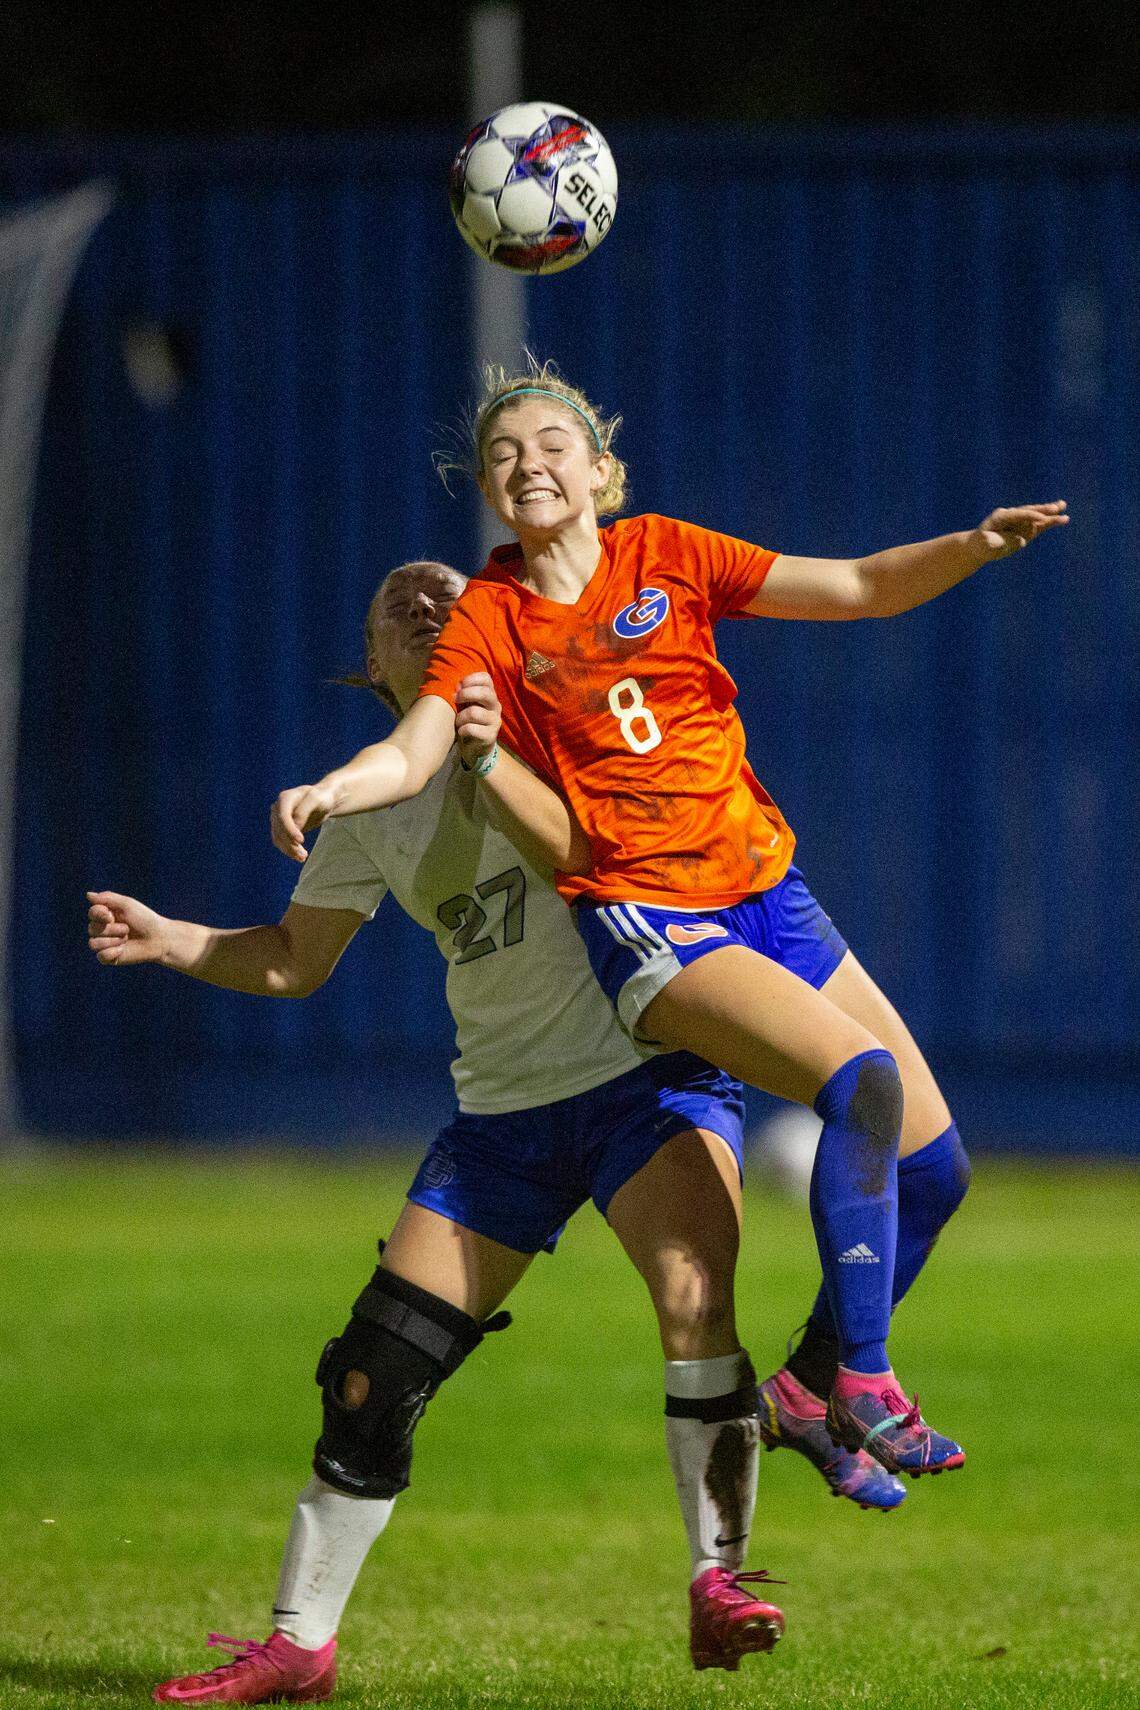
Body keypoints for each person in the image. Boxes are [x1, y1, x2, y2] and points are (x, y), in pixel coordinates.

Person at [271, 361, 1069, 1503]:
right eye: (503, 454)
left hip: (769, 892)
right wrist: (331, 789)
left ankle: (807, 1387)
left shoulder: (667, 553)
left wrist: (972, 545)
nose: (528, 463)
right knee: (863, 1083)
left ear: (601, 471)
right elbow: (413, 746)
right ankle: (867, 1381)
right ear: (489, 491)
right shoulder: (487, 615)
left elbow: (856, 586)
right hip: (655, 919)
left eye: (551, 443)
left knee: (936, 1171)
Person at [88, 556, 862, 1703]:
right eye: (394, 604)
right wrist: (174, 939)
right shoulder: (368, 804)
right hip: (503, 1116)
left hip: (647, 1083)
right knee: (373, 1370)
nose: (424, 603)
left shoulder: (571, 731)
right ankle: (299, 1646)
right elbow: (295, 959)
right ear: (373, 665)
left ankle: (720, 1581)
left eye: (445, 595)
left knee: (697, 1314)